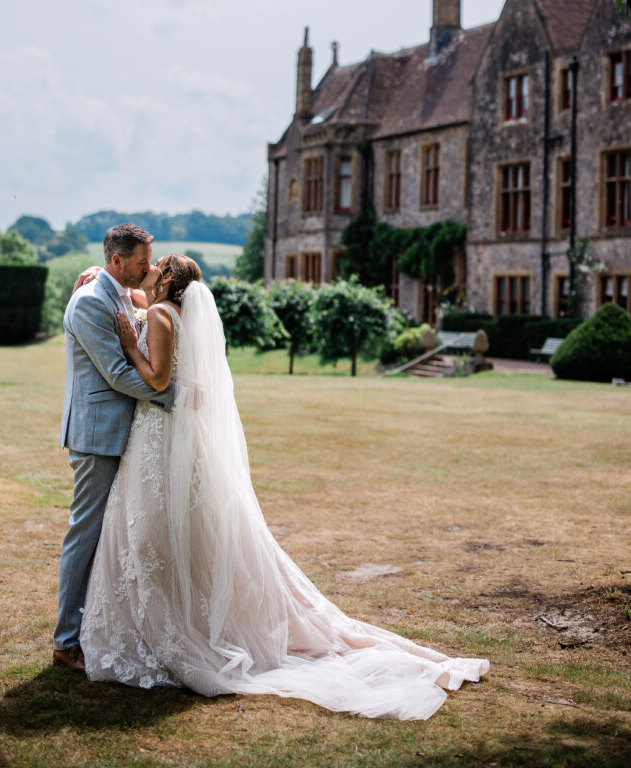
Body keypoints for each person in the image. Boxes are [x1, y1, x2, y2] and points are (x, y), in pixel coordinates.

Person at [80, 254, 489, 720]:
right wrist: (103, 277)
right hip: (181, 438)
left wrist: (127, 343)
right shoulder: (183, 313)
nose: (147, 270)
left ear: (168, 279)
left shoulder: (157, 313)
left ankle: (169, 626)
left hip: (159, 432)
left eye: (156, 266)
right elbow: (137, 299)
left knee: (155, 526)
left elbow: (155, 375)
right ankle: (185, 615)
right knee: (188, 528)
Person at [53, 224, 177, 672]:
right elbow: (117, 375)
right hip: (96, 434)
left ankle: (97, 628)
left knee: (114, 535)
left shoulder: (122, 289)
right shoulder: (89, 302)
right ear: (118, 261)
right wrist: (177, 399)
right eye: (143, 260)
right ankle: (66, 642)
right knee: (85, 534)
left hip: (123, 430)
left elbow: (155, 295)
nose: (149, 267)